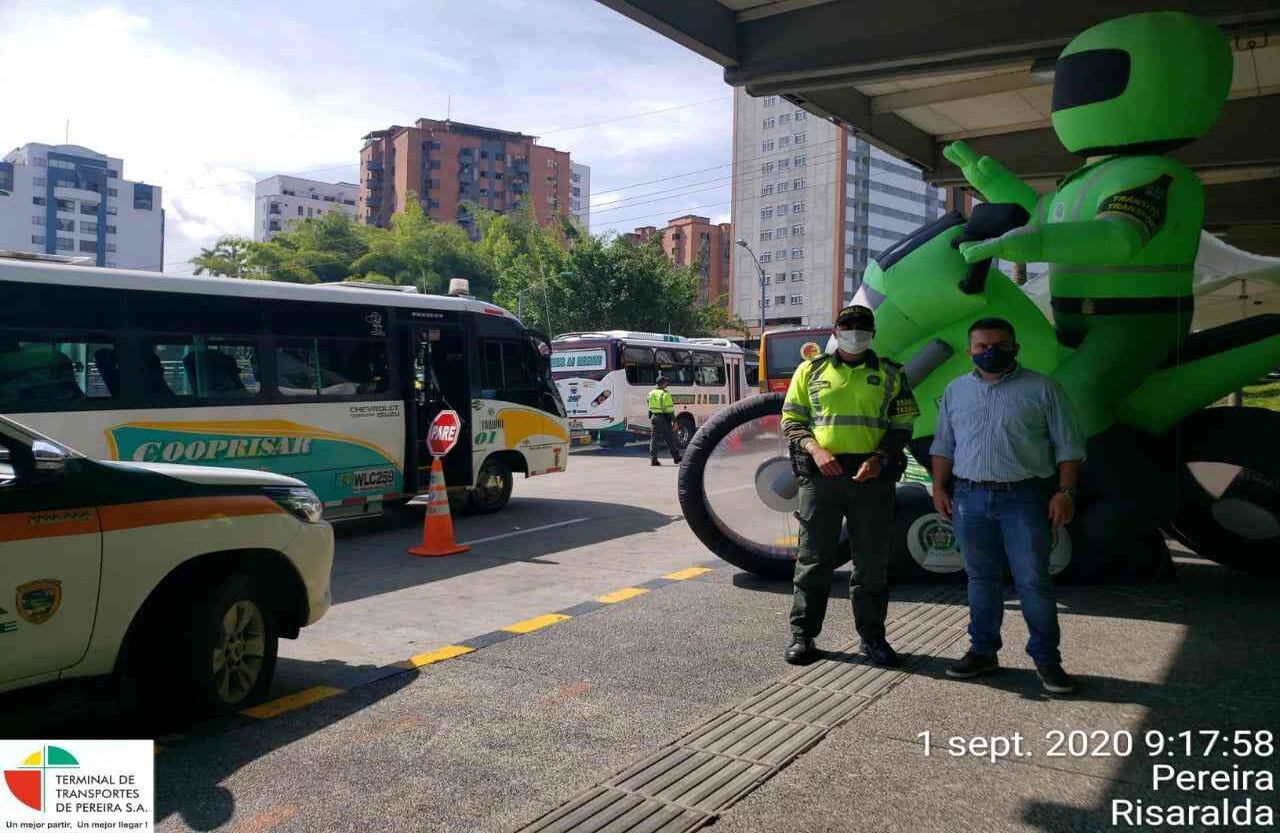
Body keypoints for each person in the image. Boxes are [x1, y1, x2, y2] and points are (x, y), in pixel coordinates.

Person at [930, 317, 1085, 695]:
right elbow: (943, 446)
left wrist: (1065, 493)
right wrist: (938, 487)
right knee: (980, 579)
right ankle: (983, 652)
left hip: (1025, 498)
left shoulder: (1043, 388)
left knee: (1033, 580)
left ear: (1015, 348)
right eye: (982, 346)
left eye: (999, 344)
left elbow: (1069, 447)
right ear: (970, 352)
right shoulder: (955, 391)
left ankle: (1047, 660)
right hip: (969, 498)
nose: (990, 351)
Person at [781, 304, 919, 667]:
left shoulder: (891, 373)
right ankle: (803, 636)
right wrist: (815, 448)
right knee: (813, 559)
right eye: (848, 327)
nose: (855, 333)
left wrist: (879, 458)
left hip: (872, 477)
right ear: (836, 331)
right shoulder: (810, 371)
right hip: (821, 474)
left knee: (871, 563)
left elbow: (903, 425)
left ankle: (872, 638)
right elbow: (792, 420)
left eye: (862, 328)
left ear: (872, 333)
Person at [647, 376, 681, 466]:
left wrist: (651, 416)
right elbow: (669, 410)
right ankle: (677, 458)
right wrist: (675, 421)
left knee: (654, 439)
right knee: (669, 438)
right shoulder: (665, 394)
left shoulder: (651, 393)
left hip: (654, 418)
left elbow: (649, 406)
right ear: (662, 383)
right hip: (663, 418)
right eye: (666, 382)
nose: (667, 384)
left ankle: (653, 459)